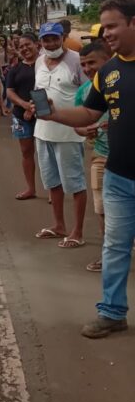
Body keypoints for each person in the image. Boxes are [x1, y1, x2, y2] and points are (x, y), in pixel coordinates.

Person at [40, 0, 135, 338]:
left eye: (113, 26)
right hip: (119, 176)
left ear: (133, 22)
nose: (106, 33)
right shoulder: (108, 73)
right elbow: (89, 113)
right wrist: (53, 113)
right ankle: (111, 312)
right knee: (114, 246)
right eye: (103, 26)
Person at [29, 21, 87, 248]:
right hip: (42, 132)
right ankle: (59, 225)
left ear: (62, 37)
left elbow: (87, 93)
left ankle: (77, 231)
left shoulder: (76, 60)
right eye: (46, 39)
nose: (51, 43)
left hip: (69, 134)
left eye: (55, 38)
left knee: (75, 184)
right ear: (41, 42)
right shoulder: (38, 62)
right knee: (52, 183)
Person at [74, 41, 111, 272]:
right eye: (83, 65)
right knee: (101, 208)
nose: (87, 69)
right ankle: (110, 253)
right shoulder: (84, 91)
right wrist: (84, 129)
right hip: (101, 155)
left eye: (92, 63)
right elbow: (79, 122)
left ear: (108, 60)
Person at [6, 33, 39, 200]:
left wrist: (32, 108)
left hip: (44, 116)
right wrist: (24, 105)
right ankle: (31, 188)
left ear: (36, 44)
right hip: (20, 117)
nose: (25, 49)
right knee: (26, 152)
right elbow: (10, 92)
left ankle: (54, 191)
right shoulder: (15, 70)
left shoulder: (45, 65)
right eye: (21, 47)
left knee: (47, 153)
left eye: (28, 45)